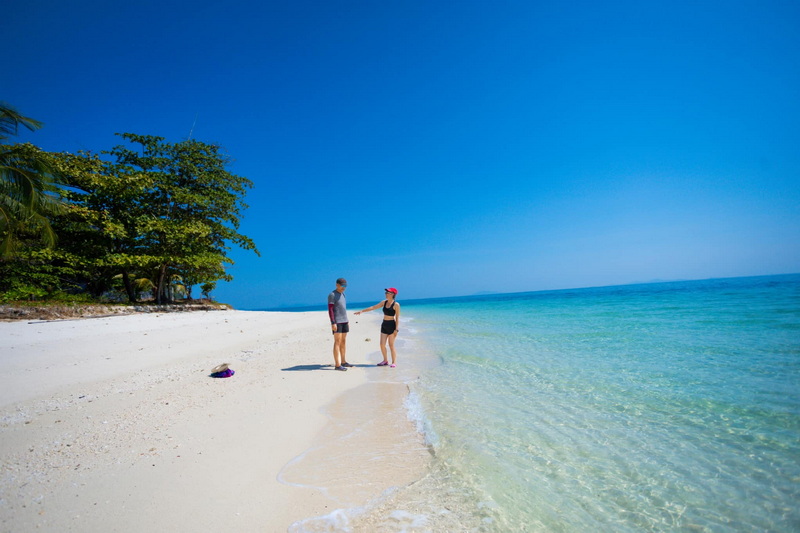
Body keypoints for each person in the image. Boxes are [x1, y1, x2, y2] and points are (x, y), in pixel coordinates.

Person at [355, 287, 401, 367]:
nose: (386, 294)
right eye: (386, 292)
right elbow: (373, 307)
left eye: (388, 293)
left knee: (391, 345)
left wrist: (396, 329)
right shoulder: (384, 302)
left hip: (392, 325)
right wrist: (362, 311)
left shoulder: (396, 305)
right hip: (384, 324)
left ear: (393, 294)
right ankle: (385, 360)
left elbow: (397, 318)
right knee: (382, 344)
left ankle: (394, 362)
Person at [328, 278, 352, 371]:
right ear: (337, 284)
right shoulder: (332, 295)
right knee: (337, 342)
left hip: (344, 321)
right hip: (337, 322)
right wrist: (333, 323)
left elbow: (343, 309)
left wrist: (347, 320)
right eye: (342, 285)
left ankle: (343, 361)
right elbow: (330, 310)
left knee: (343, 341)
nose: (344, 288)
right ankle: (337, 365)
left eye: (345, 286)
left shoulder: (343, 294)